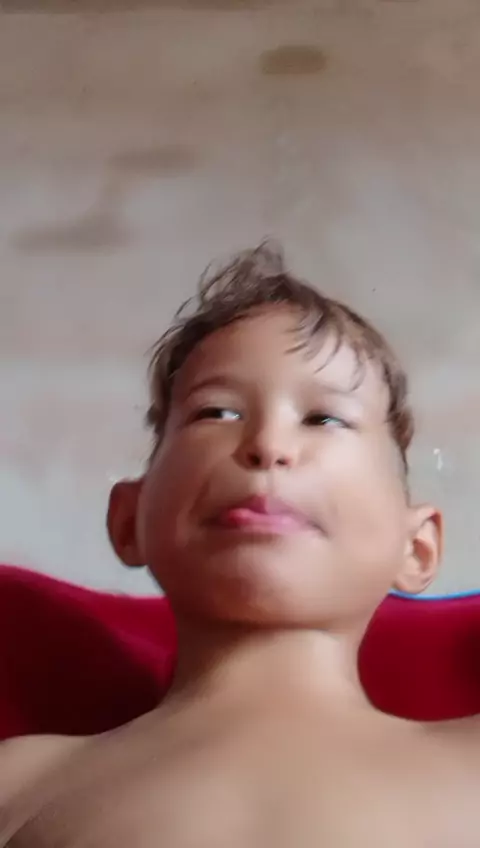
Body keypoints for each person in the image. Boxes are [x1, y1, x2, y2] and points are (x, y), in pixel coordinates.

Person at [0, 243, 478, 848]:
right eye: (216, 412)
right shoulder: (21, 781)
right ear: (129, 519)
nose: (268, 445)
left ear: (417, 546)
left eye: (325, 418)